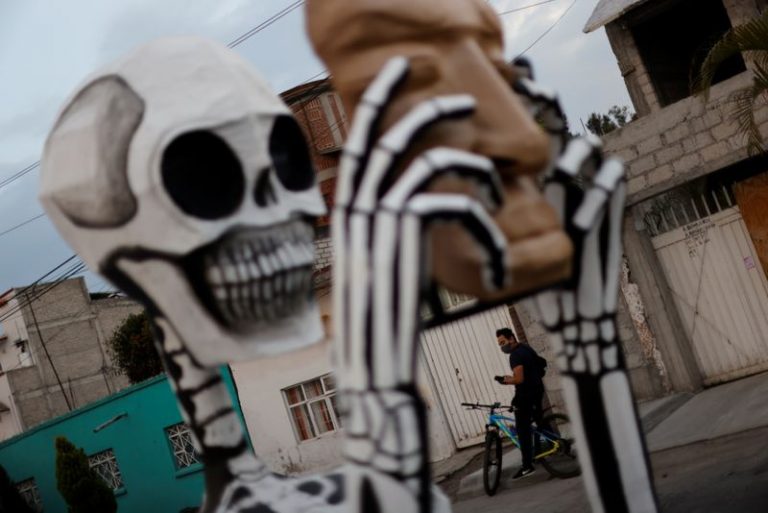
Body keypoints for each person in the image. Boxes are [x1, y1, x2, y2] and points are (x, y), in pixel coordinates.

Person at [493, 327, 546, 479]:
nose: (502, 346)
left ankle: (527, 466)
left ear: (511, 338)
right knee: (539, 420)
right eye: (499, 344)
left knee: (522, 430)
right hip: (537, 390)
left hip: (525, 395)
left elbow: (519, 379)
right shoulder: (525, 348)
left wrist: (504, 380)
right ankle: (556, 445)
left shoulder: (515, 355)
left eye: (503, 342)